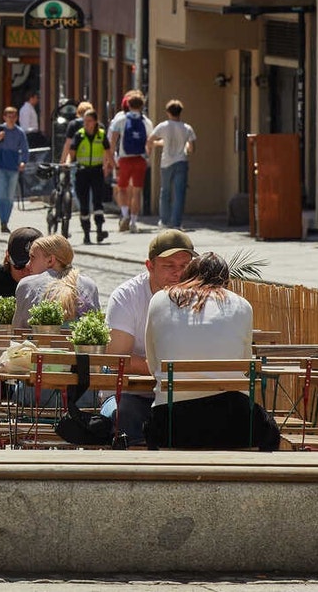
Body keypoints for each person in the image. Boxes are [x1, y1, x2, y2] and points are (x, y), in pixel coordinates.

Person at [144, 252, 274, 450]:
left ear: (188, 275)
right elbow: (246, 362)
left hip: (172, 424)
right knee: (270, 431)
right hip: (234, 423)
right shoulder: (242, 305)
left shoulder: (160, 300)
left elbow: (153, 365)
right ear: (226, 280)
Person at [101, 230, 196, 443]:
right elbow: (118, 358)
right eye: (168, 266)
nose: (178, 273)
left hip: (181, 395)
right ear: (149, 266)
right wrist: (170, 371)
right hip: (131, 395)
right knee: (124, 415)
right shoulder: (127, 296)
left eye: (184, 266)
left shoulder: (199, 297)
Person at [12, 234, 101, 328]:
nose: (27, 264)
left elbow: (17, 331)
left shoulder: (27, 285)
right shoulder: (89, 285)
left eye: (32, 257)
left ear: (50, 260)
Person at [61, 108, 114, 244]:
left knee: (98, 202)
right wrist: (67, 164)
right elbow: (71, 154)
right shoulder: (79, 135)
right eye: (84, 120)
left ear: (95, 122)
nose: (86, 123)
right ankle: (86, 234)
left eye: (89, 121)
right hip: (82, 172)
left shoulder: (101, 135)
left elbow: (108, 153)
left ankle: (99, 230)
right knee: (84, 204)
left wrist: (113, 165)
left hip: (97, 171)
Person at [150, 100, 197, 230]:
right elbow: (191, 148)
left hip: (166, 162)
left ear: (167, 112)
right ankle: (176, 222)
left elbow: (151, 139)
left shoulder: (163, 126)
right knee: (179, 193)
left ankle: (164, 221)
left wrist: (151, 148)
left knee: (165, 191)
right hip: (181, 160)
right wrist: (185, 147)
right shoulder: (187, 128)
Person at [109, 91, 150, 233]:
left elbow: (113, 140)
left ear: (128, 104)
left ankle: (125, 214)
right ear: (142, 105)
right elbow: (149, 142)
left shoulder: (121, 120)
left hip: (124, 159)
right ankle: (133, 222)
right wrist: (147, 156)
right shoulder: (146, 121)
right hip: (140, 159)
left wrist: (112, 159)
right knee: (137, 192)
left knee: (122, 188)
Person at [0, 106, 30, 233]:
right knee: (2, 195)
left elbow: (25, 149)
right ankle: (3, 221)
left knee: (10, 196)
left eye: (13, 116)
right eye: (8, 116)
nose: (11, 119)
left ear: (16, 118)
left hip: (13, 167)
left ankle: (6, 219)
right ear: (4, 117)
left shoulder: (19, 132)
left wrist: (23, 162)